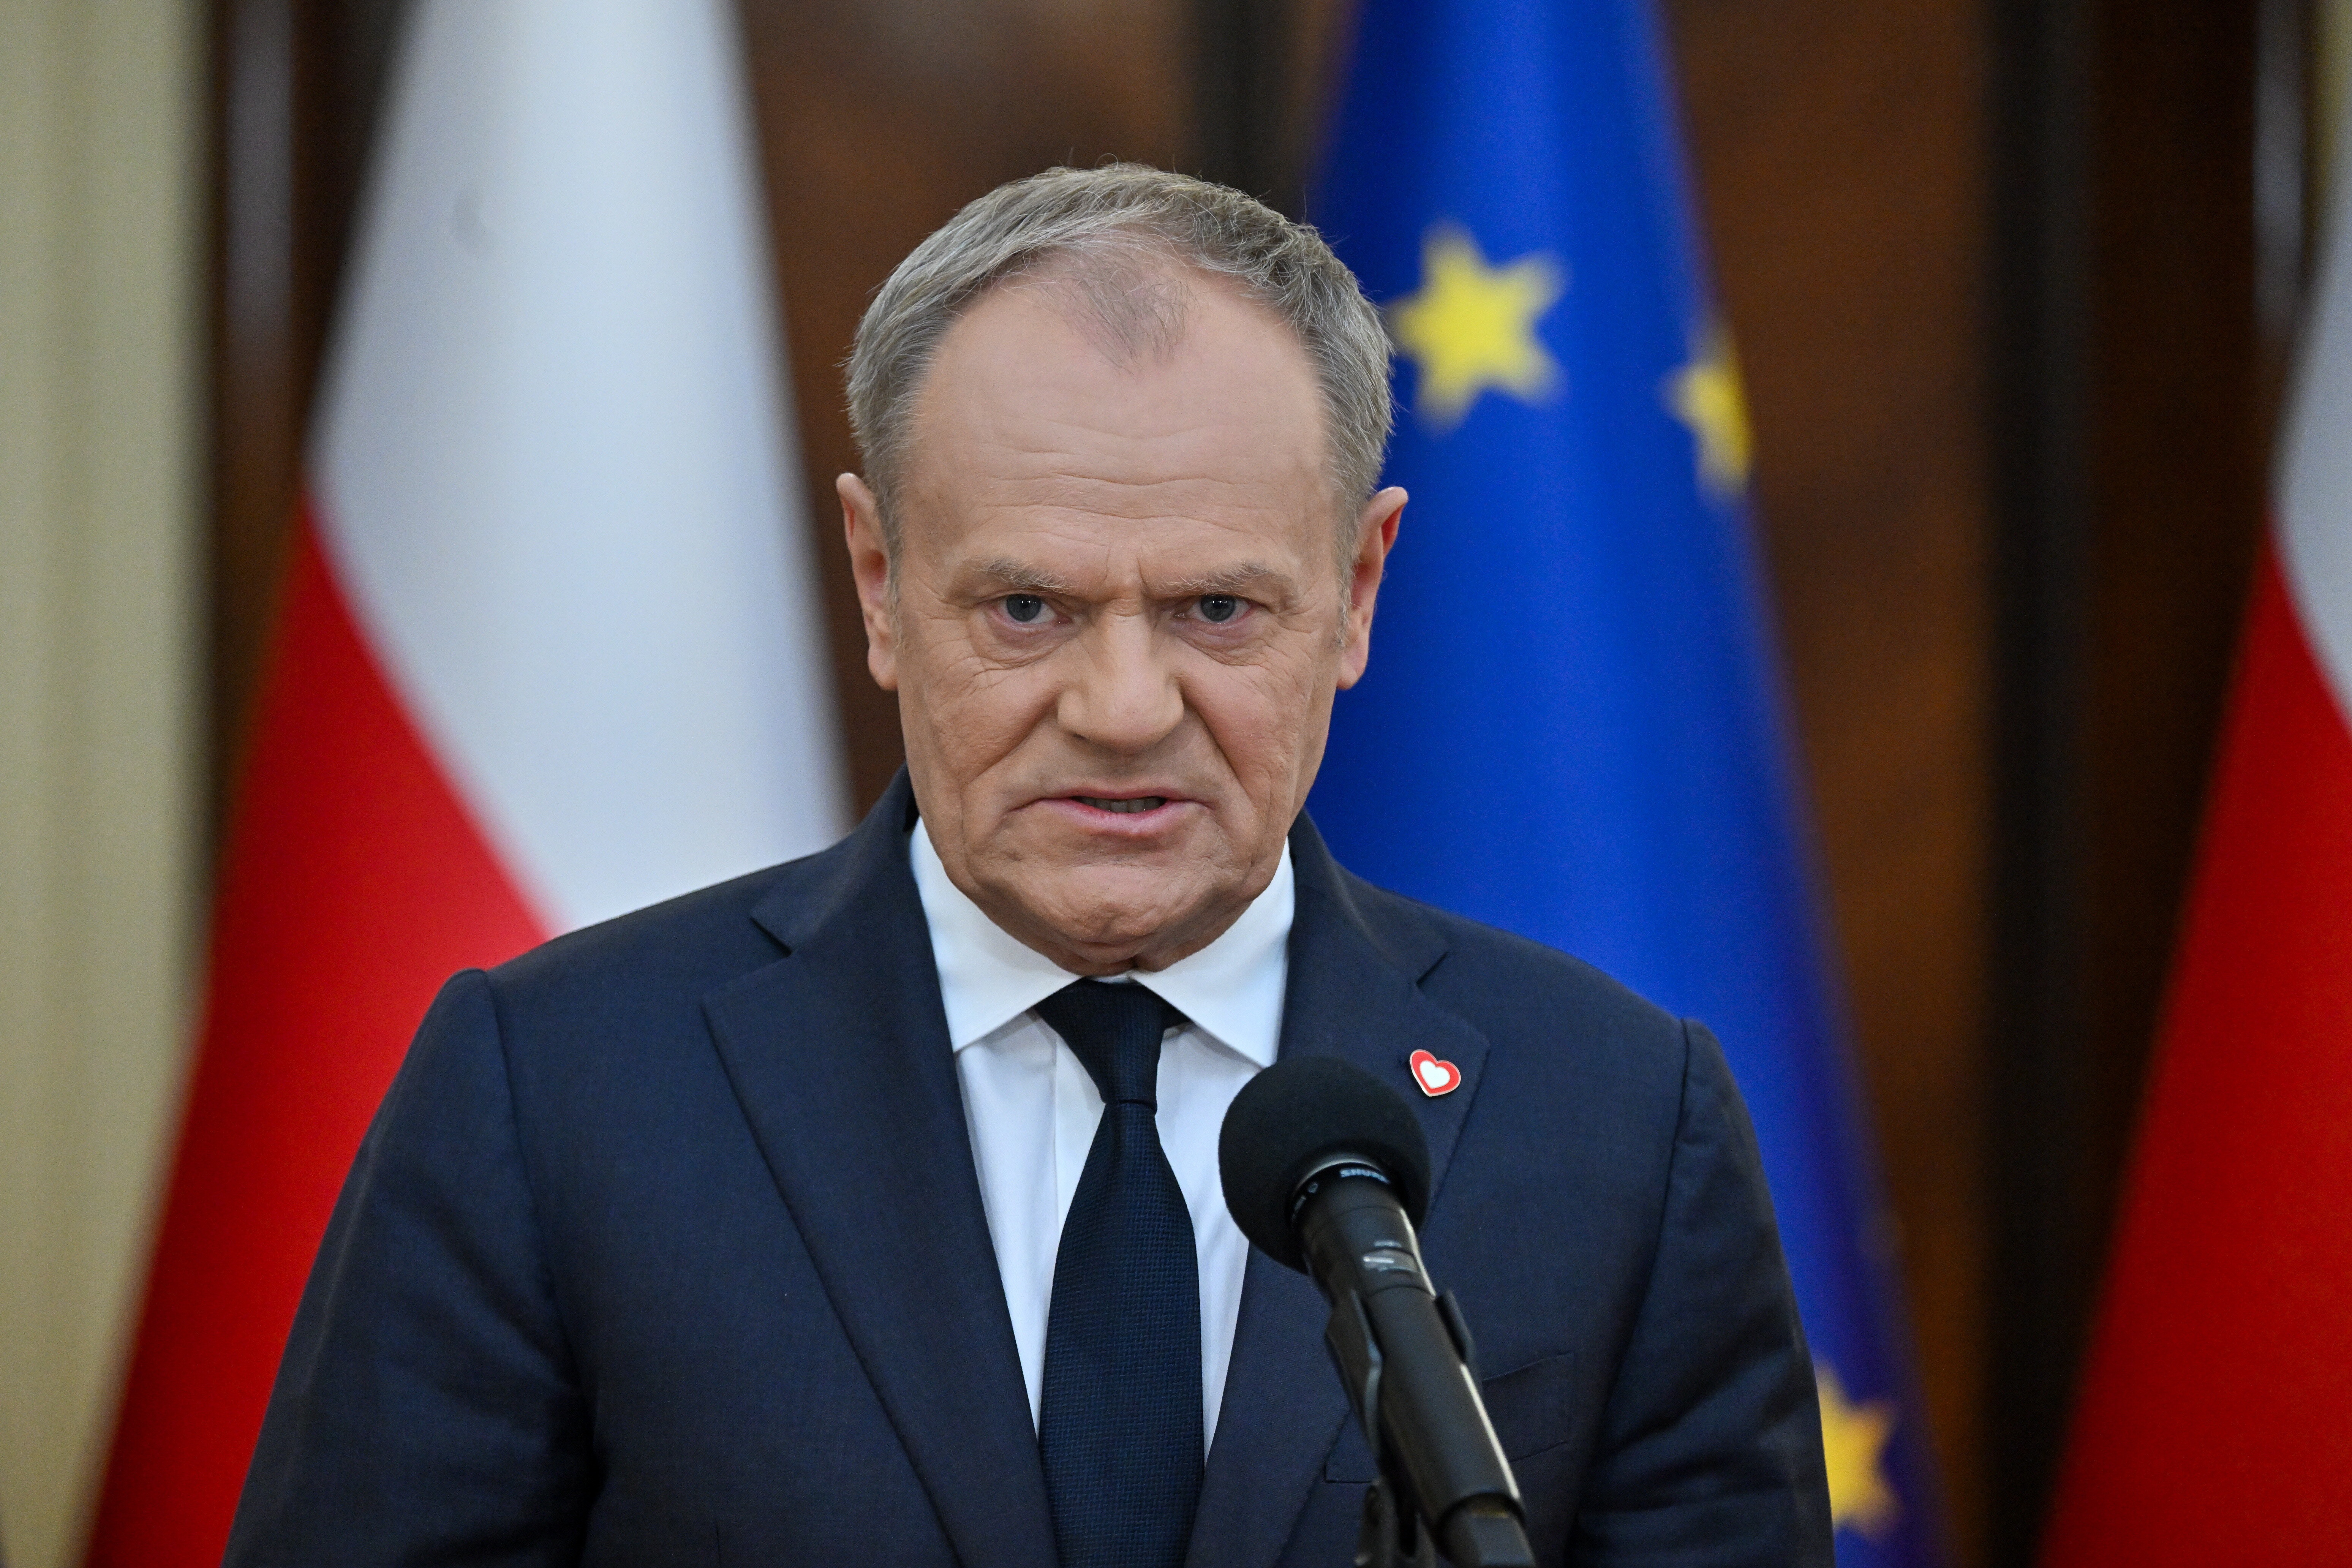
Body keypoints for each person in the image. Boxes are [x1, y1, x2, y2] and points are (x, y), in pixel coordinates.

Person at [226, 164, 1831, 1568]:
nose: (1123, 711)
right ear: (879, 582)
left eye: (1217, 611)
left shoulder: (1617, 1119)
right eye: (1027, 610)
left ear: (1356, 591)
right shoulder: (559, 1088)